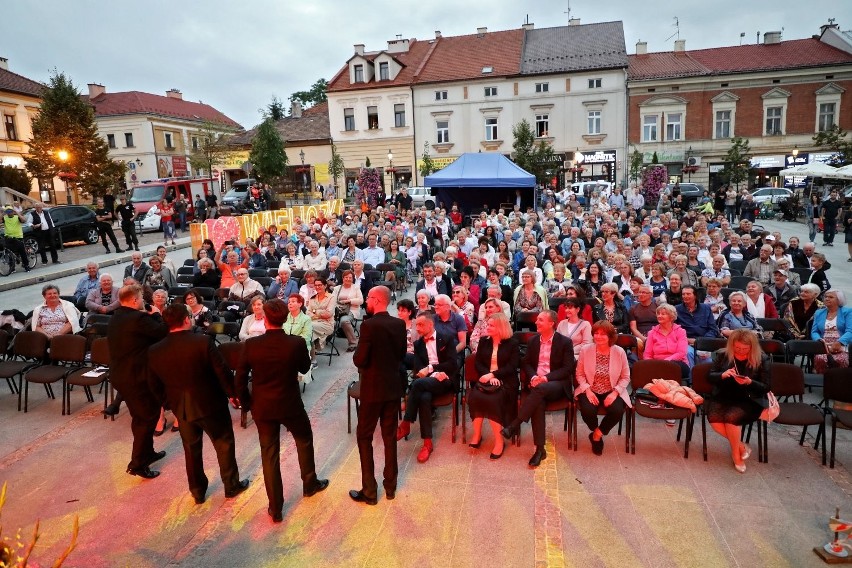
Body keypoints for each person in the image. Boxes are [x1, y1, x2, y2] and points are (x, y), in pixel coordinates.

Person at [236, 299, 329, 522]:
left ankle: (275, 507)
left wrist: (248, 404)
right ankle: (309, 483)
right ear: (286, 318)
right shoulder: (295, 343)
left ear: (265, 319)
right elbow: (305, 368)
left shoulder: (251, 345)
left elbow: (239, 380)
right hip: (290, 404)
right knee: (304, 439)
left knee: (269, 455)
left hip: (263, 407)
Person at [147, 304, 248, 505]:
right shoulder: (203, 342)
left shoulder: (155, 350)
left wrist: (169, 404)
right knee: (224, 444)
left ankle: (198, 491)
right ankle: (231, 485)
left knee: (191, 452)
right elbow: (222, 371)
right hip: (211, 405)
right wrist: (233, 395)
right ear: (186, 319)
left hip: (182, 409)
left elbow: (153, 384)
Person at [350, 286, 407, 506]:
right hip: (392, 388)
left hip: (372, 390)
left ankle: (370, 491)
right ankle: (390, 487)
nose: (366, 301)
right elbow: (401, 354)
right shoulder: (399, 324)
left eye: (368, 298)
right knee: (389, 437)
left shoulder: (368, 326)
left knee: (364, 437)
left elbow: (360, 360)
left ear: (376, 299)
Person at [107, 284, 169, 479]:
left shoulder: (116, 317)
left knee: (140, 417)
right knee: (146, 418)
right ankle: (138, 464)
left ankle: (148, 453)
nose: (143, 301)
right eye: (141, 298)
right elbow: (163, 332)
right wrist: (158, 314)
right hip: (136, 378)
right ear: (134, 300)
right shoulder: (138, 318)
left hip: (121, 375)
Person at [501, 310, 575, 467]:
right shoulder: (534, 341)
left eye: (540, 320)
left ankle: (515, 424)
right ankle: (540, 450)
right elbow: (526, 363)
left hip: (556, 384)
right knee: (537, 403)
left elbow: (567, 368)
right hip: (537, 385)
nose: (536, 322)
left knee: (539, 390)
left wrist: (545, 379)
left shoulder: (565, 342)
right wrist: (534, 377)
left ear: (551, 323)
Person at [396, 314, 459, 463]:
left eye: (420, 325)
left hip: (445, 379)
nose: (417, 328)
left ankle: (406, 423)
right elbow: (418, 368)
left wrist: (432, 368)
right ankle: (427, 443)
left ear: (430, 325)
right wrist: (428, 372)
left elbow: (453, 364)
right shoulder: (418, 344)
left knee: (417, 385)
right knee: (424, 398)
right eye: (416, 325)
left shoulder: (447, 338)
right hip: (426, 382)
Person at [707, 329, 771, 473]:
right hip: (724, 394)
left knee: (731, 418)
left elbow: (766, 386)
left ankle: (736, 455)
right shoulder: (723, 355)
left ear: (752, 347)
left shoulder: (762, 358)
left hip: (749, 398)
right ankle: (741, 446)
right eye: (737, 348)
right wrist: (722, 375)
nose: (741, 351)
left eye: (745, 349)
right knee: (714, 421)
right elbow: (710, 376)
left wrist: (750, 382)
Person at [574, 321, 631, 456]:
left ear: (610, 336)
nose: (598, 337)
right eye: (596, 333)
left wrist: (615, 393)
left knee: (617, 411)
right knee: (587, 411)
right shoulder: (585, 350)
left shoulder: (619, 351)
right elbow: (579, 374)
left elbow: (626, 377)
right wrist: (587, 390)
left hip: (611, 389)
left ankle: (597, 434)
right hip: (590, 388)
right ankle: (595, 430)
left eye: (603, 334)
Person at [468, 313, 520, 460]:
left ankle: (499, 441)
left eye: (491, 325)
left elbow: (512, 366)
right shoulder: (484, 341)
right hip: (486, 379)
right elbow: (478, 363)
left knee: (493, 401)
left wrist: (494, 375)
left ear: (501, 327)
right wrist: (488, 376)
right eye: (487, 324)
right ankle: (477, 434)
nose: (487, 327)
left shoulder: (512, 343)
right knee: (475, 397)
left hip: (506, 381)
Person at [676, 285, 719, 366]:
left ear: (695, 296)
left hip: (705, 342)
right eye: (683, 294)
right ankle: (691, 378)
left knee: (709, 361)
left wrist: (701, 342)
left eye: (688, 294)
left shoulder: (706, 308)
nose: (685, 296)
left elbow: (713, 329)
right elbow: (674, 330)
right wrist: (686, 339)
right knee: (688, 354)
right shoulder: (677, 309)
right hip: (686, 342)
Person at [644, 303, 690, 377]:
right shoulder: (651, 333)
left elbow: (681, 353)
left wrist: (666, 361)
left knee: (670, 368)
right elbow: (647, 354)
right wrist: (652, 364)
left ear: (671, 317)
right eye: (658, 314)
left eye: (663, 314)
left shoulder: (680, 331)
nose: (659, 316)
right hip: (657, 364)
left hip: (677, 363)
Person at [811, 289, 851, 373]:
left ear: (839, 300)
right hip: (823, 345)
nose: (827, 299)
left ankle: (840, 382)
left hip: (842, 344)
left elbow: (850, 331)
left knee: (840, 360)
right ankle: (822, 382)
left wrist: (839, 343)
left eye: (831, 297)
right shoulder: (818, 313)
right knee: (820, 359)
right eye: (825, 297)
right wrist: (819, 340)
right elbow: (814, 331)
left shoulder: (847, 312)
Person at [330, 270, 362, 352]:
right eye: (346, 277)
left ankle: (353, 343)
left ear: (352, 279)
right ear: (343, 278)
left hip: (351, 310)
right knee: (327, 320)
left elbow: (361, 301)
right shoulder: (337, 288)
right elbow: (332, 300)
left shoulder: (356, 288)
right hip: (337, 310)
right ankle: (324, 339)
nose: (348, 279)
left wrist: (349, 301)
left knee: (344, 321)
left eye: (350, 277)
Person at [1, 204, 31, 272]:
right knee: (9, 253)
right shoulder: (5, 218)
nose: (9, 213)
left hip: (18, 237)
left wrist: (17, 212)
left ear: (13, 211)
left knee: (22, 252)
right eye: (7, 211)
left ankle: (26, 266)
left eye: (10, 211)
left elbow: (24, 220)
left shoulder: (17, 217)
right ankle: (12, 268)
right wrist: (3, 213)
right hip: (8, 237)